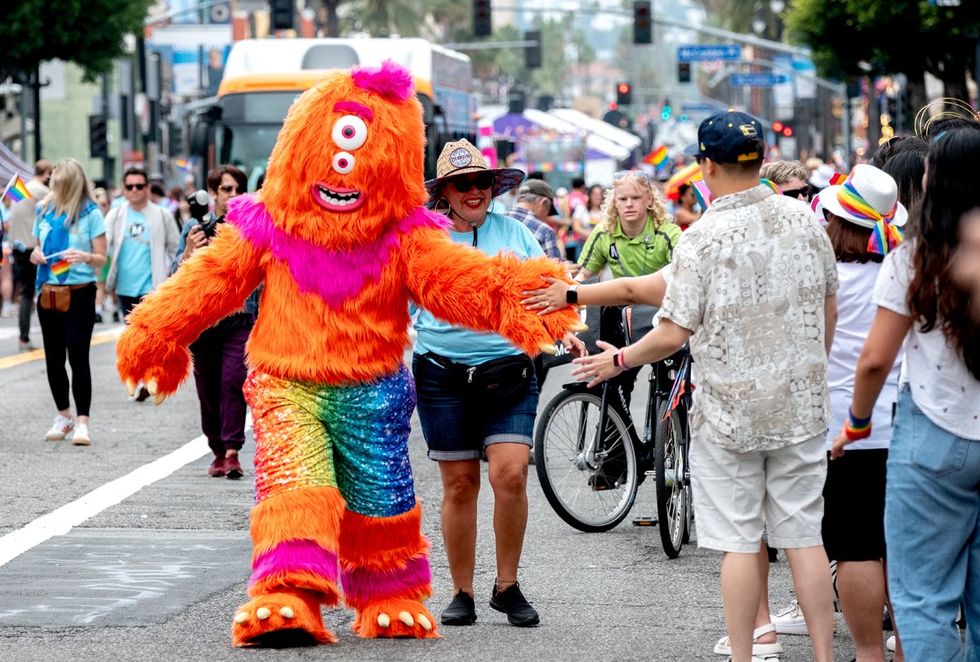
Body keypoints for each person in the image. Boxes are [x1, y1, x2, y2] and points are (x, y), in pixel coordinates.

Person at [570, 111, 839, 662]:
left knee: (739, 542)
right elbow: (826, 306)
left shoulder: (702, 238)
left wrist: (618, 359)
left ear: (705, 165)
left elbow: (671, 332)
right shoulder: (806, 220)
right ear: (762, 159)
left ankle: (749, 651)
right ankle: (823, 655)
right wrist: (809, 369)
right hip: (800, 406)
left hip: (728, 414)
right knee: (804, 538)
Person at [831, 128, 980, 662]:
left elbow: (876, 358)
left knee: (923, 596)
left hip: (934, 430)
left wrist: (856, 422)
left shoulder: (915, 257)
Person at [414, 139, 547, 629]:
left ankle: (507, 586)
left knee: (510, 474)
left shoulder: (516, 233)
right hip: (441, 374)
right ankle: (462, 591)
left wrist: (563, 328)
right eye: (461, 184)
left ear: (493, 186)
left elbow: (548, 290)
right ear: (444, 193)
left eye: (481, 182)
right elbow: (392, 303)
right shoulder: (422, 241)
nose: (474, 191)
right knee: (460, 483)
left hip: (507, 371)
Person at [807, 164, 908, 662]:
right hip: (909, 423)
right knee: (905, 548)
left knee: (856, 546)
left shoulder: (823, 281)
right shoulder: (908, 274)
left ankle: (868, 653)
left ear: (835, 221)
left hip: (844, 429)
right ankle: (911, 648)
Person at [171, 164, 253, 479]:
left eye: (238, 189)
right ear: (213, 194)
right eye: (226, 189)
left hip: (238, 317)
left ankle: (232, 451)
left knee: (233, 380)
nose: (232, 195)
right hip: (204, 320)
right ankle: (217, 449)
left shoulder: (249, 225)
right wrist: (190, 250)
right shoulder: (195, 226)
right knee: (207, 388)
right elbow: (176, 273)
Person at [29, 158, 107, 446]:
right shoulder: (43, 209)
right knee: (53, 357)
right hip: (48, 290)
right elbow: (37, 245)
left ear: (72, 184)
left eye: (59, 182)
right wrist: (35, 253)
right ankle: (63, 416)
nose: (54, 186)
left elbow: (101, 258)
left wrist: (85, 256)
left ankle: (82, 422)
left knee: (78, 354)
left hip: (80, 291)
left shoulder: (91, 214)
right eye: (53, 181)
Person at [105, 167, 180, 321]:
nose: (134, 190)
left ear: (147, 188)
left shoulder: (163, 215)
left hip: (153, 288)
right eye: (129, 186)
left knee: (151, 331)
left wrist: (175, 279)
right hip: (124, 289)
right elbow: (103, 244)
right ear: (124, 189)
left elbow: (175, 249)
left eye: (139, 186)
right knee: (132, 332)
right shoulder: (115, 215)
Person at [6, 160, 51, 351]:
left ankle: (23, 338)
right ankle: (49, 336)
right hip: (33, 248)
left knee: (25, 292)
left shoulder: (19, 187)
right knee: (43, 291)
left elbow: (10, 214)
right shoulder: (42, 191)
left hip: (17, 246)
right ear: (47, 173)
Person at [508, 179, 562, 260]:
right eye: (548, 211)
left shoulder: (497, 220)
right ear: (543, 202)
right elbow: (555, 266)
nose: (546, 217)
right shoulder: (545, 231)